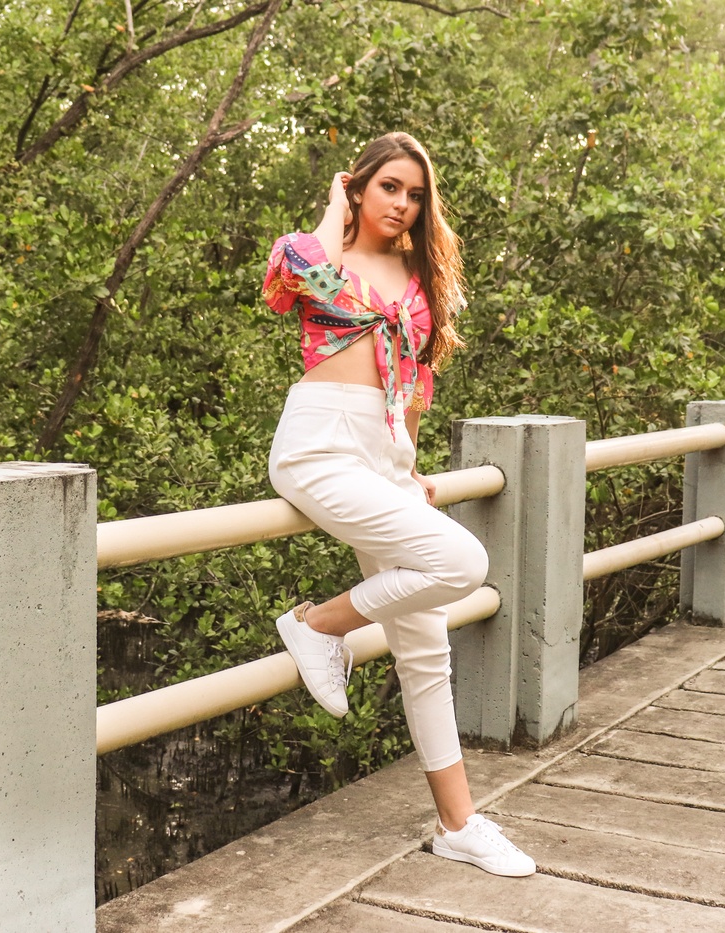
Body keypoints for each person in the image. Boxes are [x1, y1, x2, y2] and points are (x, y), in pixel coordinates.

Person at [262, 132, 535, 878]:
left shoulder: (418, 274)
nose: (403, 204)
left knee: (425, 652)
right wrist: (334, 208)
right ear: (358, 186)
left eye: (415, 194)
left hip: (383, 453)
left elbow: (413, 379)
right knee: (462, 561)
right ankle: (317, 624)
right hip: (319, 446)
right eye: (388, 187)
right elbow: (295, 275)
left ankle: (459, 825)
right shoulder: (320, 252)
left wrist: (407, 465)